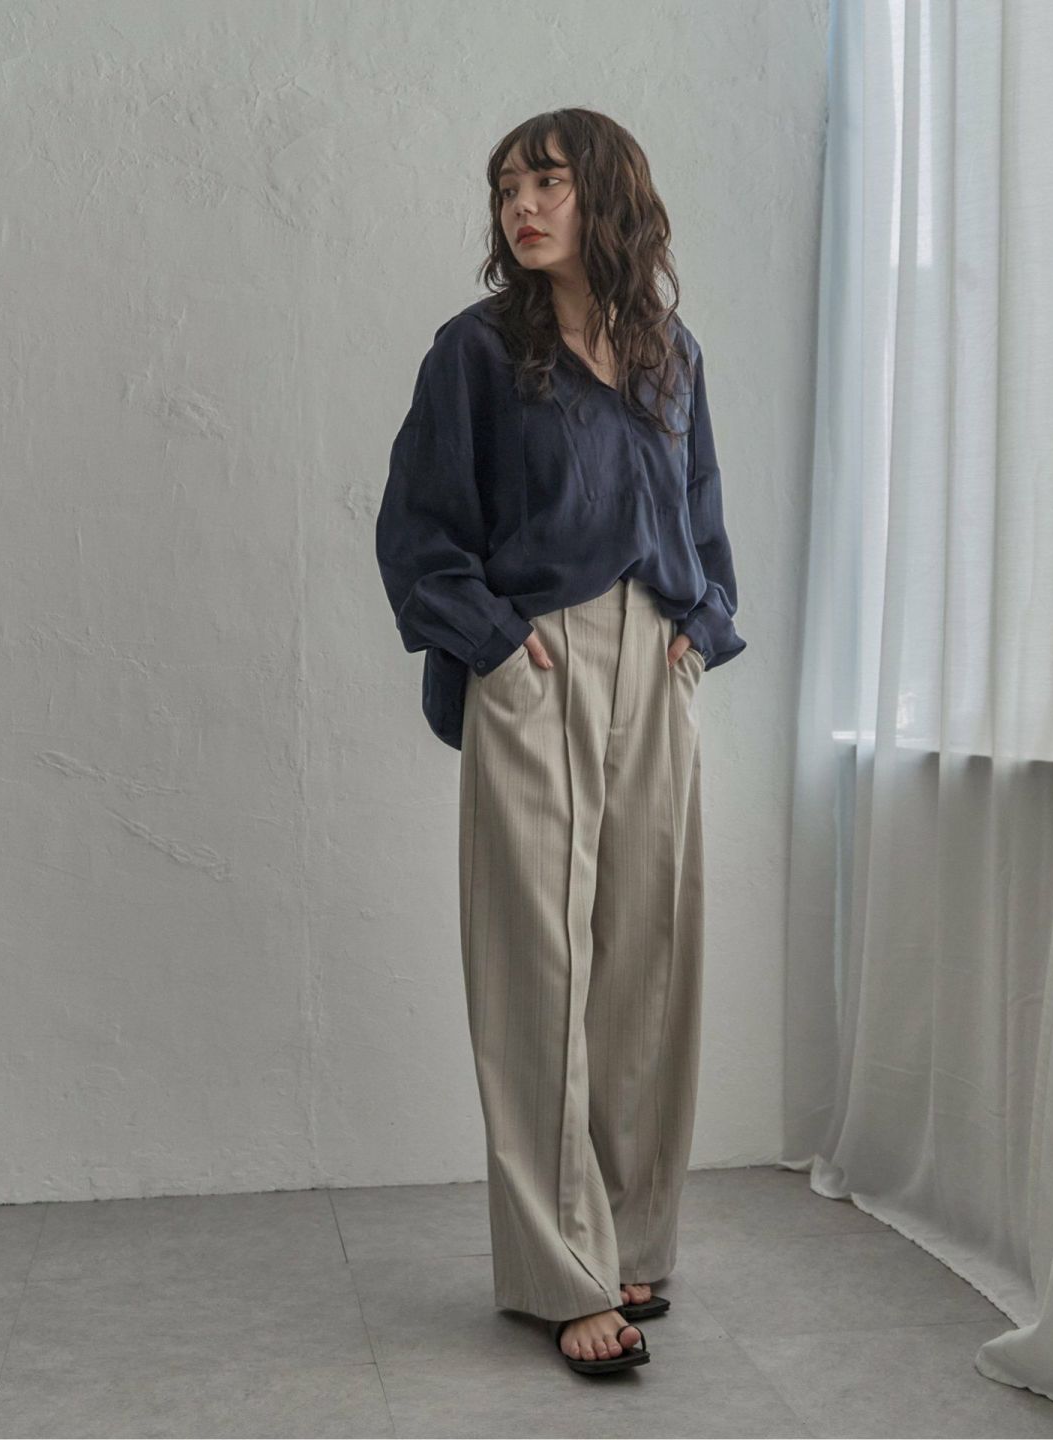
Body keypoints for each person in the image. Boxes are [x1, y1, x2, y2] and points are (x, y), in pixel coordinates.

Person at [374, 108, 746, 1375]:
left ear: (606, 196)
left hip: (656, 657)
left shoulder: (670, 353)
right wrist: (489, 640)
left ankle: (632, 1238)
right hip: (535, 659)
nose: (521, 206)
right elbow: (419, 527)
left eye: (546, 182)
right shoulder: (476, 353)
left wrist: (702, 625)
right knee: (536, 963)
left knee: (649, 954)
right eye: (506, 188)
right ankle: (560, 1270)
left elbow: (703, 508)